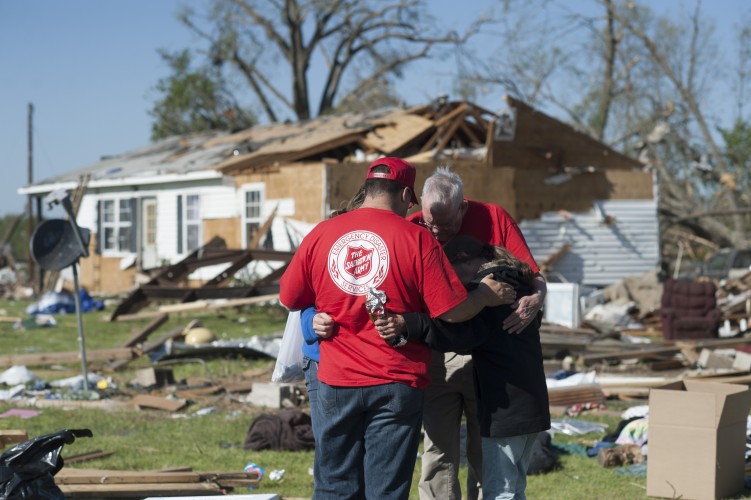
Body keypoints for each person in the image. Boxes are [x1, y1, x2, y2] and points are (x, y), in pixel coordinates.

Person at [279, 157, 511, 499]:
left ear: (367, 189)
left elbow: (289, 297)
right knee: (387, 489)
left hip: (335, 377)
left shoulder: (322, 233)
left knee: (333, 484)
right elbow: (452, 311)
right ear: (405, 195)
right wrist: (485, 296)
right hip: (396, 378)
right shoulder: (417, 239)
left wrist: (317, 315)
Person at [406, 166, 547, 500]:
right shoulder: (411, 227)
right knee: (438, 448)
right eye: (430, 221)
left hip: (482, 352)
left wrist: (538, 297)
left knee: (484, 449)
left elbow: (530, 273)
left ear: (463, 208)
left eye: (446, 223)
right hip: (437, 348)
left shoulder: (494, 217)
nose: (437, 231)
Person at [375, 234, 551, 500]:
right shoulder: (519, 283)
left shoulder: (491, 291)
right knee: (515, 488)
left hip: (506, 409)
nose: (451, 285)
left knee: (500, 492)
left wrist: (408, 324)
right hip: (531, 404)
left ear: (463, 261)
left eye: (449, 274)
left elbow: (457, 334)